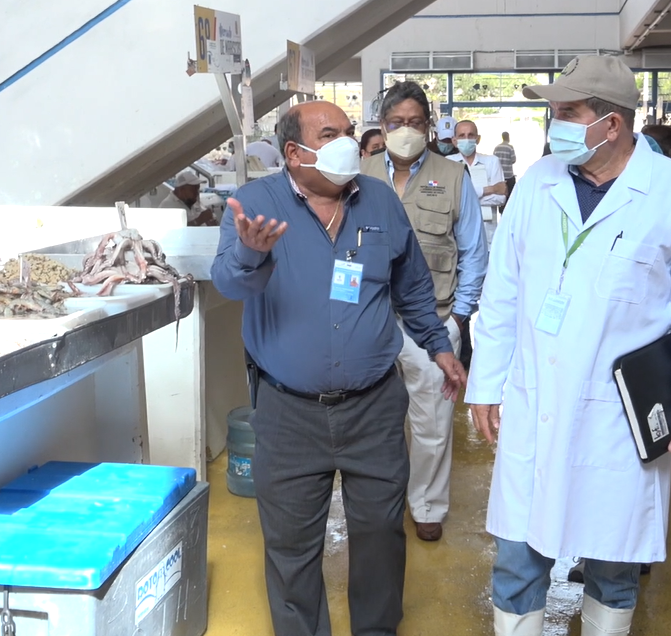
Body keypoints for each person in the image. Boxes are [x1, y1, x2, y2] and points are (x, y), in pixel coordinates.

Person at [467, 55, 671, 636]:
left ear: (611, 123)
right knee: (517, 557)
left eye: (567, 112)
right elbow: (503, 288)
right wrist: (484, 383)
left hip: (621, 414)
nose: (552, 122)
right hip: (536, 399)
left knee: (614, 562)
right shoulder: (538, 181)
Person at [211, 101, 465, 636]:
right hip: (288, 410)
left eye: (349, 131)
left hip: (373, 405)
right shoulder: (254, 204)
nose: (348, 141)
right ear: (294, 152)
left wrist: (439, 346)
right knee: (291, 546)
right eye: (331, 134)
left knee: (379, 534)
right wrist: (252, 256)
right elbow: (229, 284)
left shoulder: (378, 200)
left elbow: (412, 284)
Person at [360, 82, 488, 543]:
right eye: (396, 123)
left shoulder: (452, 176)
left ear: (429, 126)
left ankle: (428, 506)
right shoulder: (360, 173)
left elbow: (474, 250)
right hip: (370, 320)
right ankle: (380, 505)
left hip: (433, 322)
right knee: (373, 422)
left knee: (431, 423)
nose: (406, 131)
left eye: (416, 122)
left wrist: (458, 317)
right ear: (382, 126)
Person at [449, 119, 508, 242]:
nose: (466, 139)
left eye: (471, 135)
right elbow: (448, 199)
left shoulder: (492, 162)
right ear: (454, 141)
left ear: (478, 139)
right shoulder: (448, 163)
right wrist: (489, 189)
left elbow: (500, 198)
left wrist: (463, 198)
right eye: (461, 136)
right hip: (457, 237)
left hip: (487, 236)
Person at [493, 131, 518, 197]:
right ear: (508, 137)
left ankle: (502, 207)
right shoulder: (510, 147)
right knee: (510, 195)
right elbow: (513, 160)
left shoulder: (497, 147)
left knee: (502, 195)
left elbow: (494, 160)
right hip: (509, 175)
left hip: (500, 175)